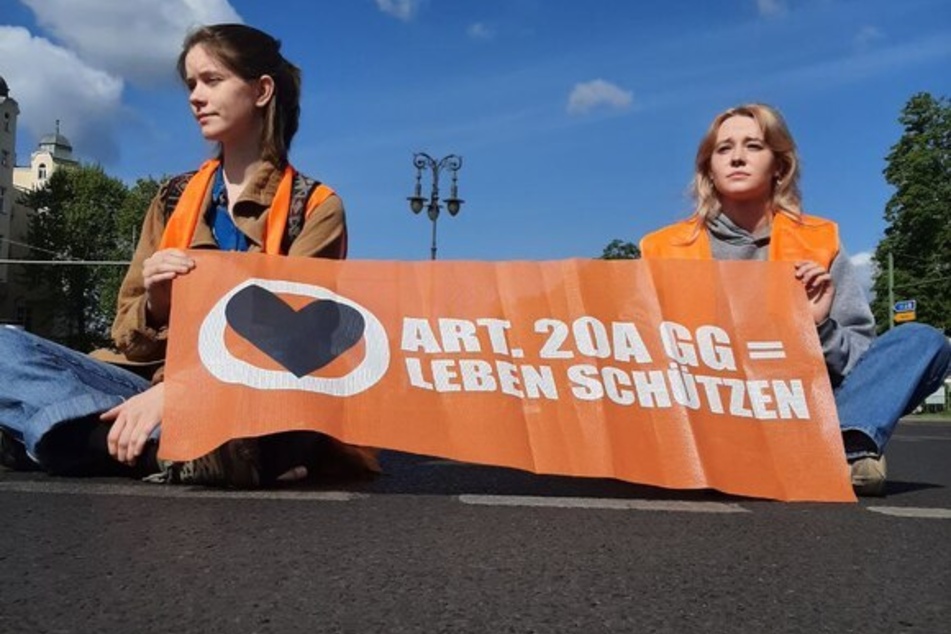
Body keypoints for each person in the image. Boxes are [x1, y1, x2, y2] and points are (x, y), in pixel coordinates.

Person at [0, 23, 378, 487]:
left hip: (250, 398)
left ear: (261, 91)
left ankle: (63, 441)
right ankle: (158, 450)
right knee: (5, 346)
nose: (195, 96)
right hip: (150, 389)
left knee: (273, 425)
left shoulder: (316, 207)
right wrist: (158, 300)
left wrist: (180, 394)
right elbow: (126, 335)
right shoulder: (173, 197)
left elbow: (294, 350)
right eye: (191, 84)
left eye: (212, 80)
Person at [640, 103, 950, 496]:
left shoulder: (820, 240)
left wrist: (818, 327)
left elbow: (862, 361)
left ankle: (847, 445)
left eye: (753, 146)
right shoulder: (662, 247)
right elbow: (640, 355)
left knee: (923, 341)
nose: (737, 157)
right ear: (708, 169)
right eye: (723, 149)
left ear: (779, 166)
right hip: (711, 407)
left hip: (803, 408)